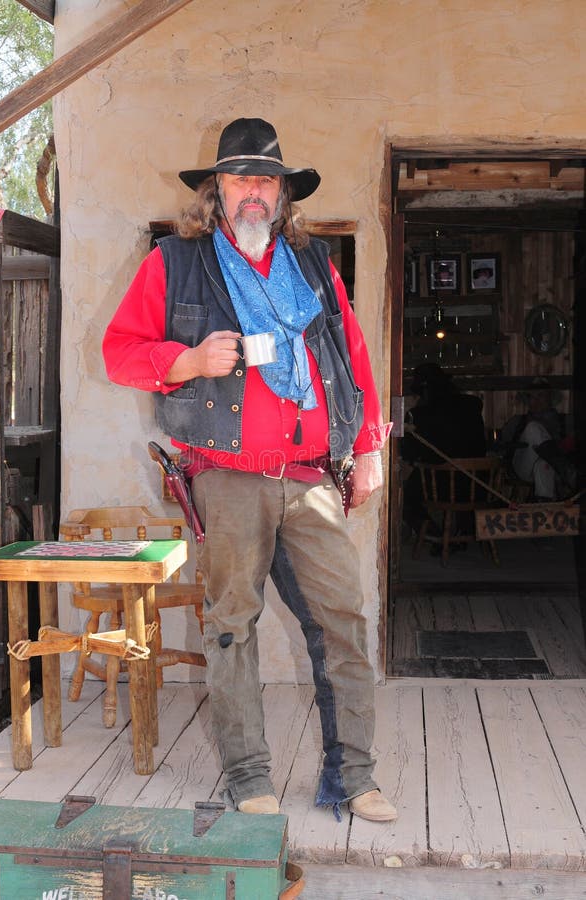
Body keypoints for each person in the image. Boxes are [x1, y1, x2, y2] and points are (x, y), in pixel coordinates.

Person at [102, 118, 397, 824]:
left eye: (266, 180)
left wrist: (369, 448)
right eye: (240, 179)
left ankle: (354, 777)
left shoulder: (315, 265)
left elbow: (353, 357)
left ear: (283, 193)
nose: (254, 192)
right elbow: (119, 351)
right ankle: (248, 775)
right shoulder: (175, 261)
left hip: (311, 475)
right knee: (233, 625)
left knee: (345, 621)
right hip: (228, 476)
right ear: (218, 190)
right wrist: (188, 360)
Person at [402, 363, 487, 539]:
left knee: (406, 495)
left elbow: (409, 453)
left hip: (440, 486)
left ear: (424, 391)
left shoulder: (420, 415)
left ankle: (436, 535)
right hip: (477, 484)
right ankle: (461, 529)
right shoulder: (472, 405)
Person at [500, 378, 576, 501]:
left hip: (552, 471)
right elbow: (503, 447)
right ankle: (567, 472)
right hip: (523, 467)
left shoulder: (566, 422)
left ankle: (545, 505)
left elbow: (575, 446)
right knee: (532, 428)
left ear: (550, 397)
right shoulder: (516, 422)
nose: (535, 400)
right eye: (531, 396)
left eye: (540, 395)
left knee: (543, 464)